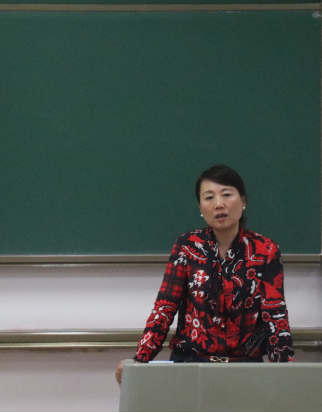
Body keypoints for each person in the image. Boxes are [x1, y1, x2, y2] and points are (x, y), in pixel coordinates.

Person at [115, 165, 293, 386]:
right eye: (209, 197)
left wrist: (285, 372)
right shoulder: (187, 246)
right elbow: (165, 307)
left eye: (227, 194)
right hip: (191, 365)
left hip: (246, 367)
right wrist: (140, 359)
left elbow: (275, 314)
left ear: (243, 201)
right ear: (200, 207)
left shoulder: (265, 250)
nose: (219, 204)